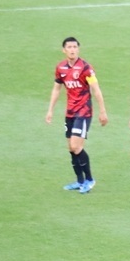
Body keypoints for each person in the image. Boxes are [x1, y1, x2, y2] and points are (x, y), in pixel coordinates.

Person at [45, 36, 108, 193]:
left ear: (78, 49)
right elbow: (56, 89)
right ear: (64, 50)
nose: (72, 50)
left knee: (76, 146)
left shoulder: (86, 68)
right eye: (69, 47)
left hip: (84, 112)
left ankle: (90, 180)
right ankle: (80, 181)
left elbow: (96, 89)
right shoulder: (61, 68)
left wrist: (102, 111)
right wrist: (50, 110)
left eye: (75, 47)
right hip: (70, 112)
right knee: (71, 148)